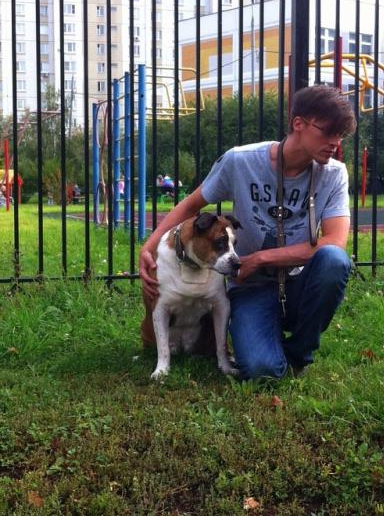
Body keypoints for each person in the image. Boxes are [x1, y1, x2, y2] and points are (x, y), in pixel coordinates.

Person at [139, 85, 357, 379]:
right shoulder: (241, 161)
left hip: (299, 284)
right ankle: (269, 344)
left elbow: (334, 241)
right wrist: (149, 247)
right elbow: (191, 205)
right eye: (328, 131)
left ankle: (298, 355)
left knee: (334, 260)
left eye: (341, 135)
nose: (335, 143)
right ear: (298, 123)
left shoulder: (334, 173)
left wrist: (260, 258)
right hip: (251, 287)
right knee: (261, 370)